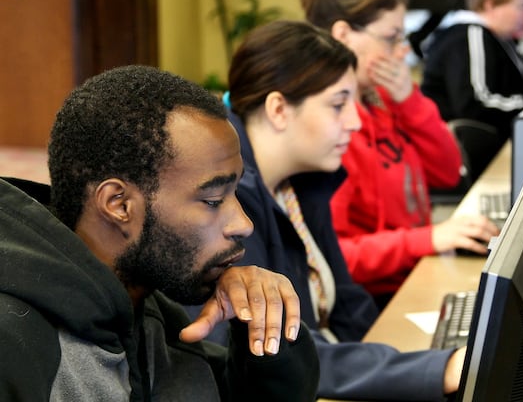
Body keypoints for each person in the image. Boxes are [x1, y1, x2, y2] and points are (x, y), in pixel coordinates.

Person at [0, 65, 318, 401]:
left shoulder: (157, 321)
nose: (243, 224)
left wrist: (265, 324)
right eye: (212, 200)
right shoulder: (15, 345)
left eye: (235, 193)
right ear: (119, 204)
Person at [211, 19, 466, 401]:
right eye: (338, 104)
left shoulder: (299, 183)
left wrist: (410, 357)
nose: (356, 121)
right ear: (279, 109)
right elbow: (284, 347)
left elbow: (347, 303)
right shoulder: (228, 207)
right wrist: (438, 368)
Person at [298, 0, 500, 307]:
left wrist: (410, 101)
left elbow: (448, 171)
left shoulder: (383, 102)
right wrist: (427, 239)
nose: (402, 50)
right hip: (373, 300)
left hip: (410, 276)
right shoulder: (328, 128)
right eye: (391, 38)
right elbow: (335, 255)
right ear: (343, 35)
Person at [420, 0, 523, 182]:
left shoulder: (500, 36)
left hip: (493, 143)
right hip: (465, 155)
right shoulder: (469, 36)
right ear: (490, 4)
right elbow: (475, 105)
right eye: (522, 6)